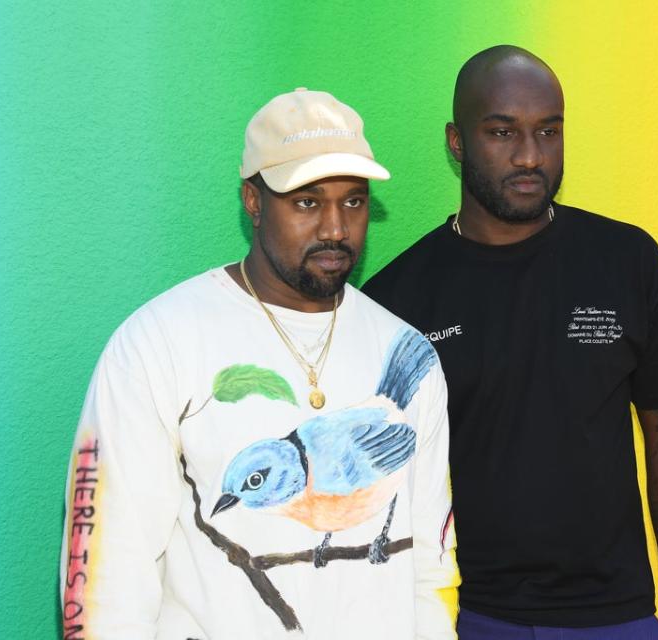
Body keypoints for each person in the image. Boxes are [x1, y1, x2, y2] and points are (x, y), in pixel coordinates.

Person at [60, 88, 459, 639]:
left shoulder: (405, 348)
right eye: (306, 201)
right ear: (253, 200)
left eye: (354, 200)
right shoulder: (158, 343)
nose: (336, 229)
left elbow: (429, 565)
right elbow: (108, 580)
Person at [362, 46, 658, 640]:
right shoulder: (396, 300)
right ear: (457, 141)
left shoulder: (626, 262)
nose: (530, 156)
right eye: (502, 132)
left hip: (616, 617)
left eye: (548, 131)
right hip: (461, 615)